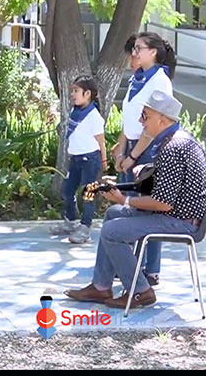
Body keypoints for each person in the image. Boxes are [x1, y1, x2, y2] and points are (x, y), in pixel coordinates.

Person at [66, 90, 206, 309]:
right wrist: (132, 184)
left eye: (146, 116)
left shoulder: (173, 148)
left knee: (112, 232)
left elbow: (163, 203)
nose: (142, 122)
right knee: (113, 215)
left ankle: (140, 291)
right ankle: (101, 287)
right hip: (179, 213)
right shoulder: (178, 140)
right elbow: (165, 189)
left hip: (182, 220)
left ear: (162, 119)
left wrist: (125, 200)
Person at [110, 31, 177, 285]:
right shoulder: (138, 79)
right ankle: (129, 262)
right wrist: (122, 148)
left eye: (139, 48)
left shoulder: (160, 81)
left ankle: (151, 269)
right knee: (130, 207)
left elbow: (153, 125)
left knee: (147, 207)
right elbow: (131, 118)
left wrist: (134, 156)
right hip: (133, 147)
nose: (134, 53)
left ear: (154, 52)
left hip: (148, 149)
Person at [49, 77, 107, 244]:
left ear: (87, 93)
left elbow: (100, 141)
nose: (72, 94)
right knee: (67, 191)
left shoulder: (93, 116)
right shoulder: (76, 112)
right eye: (72, 90)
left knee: (88, 194)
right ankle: (70, 221)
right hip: (75, 158)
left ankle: (85, 228)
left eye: (76, 91)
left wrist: (103, 161)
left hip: (90, 159)